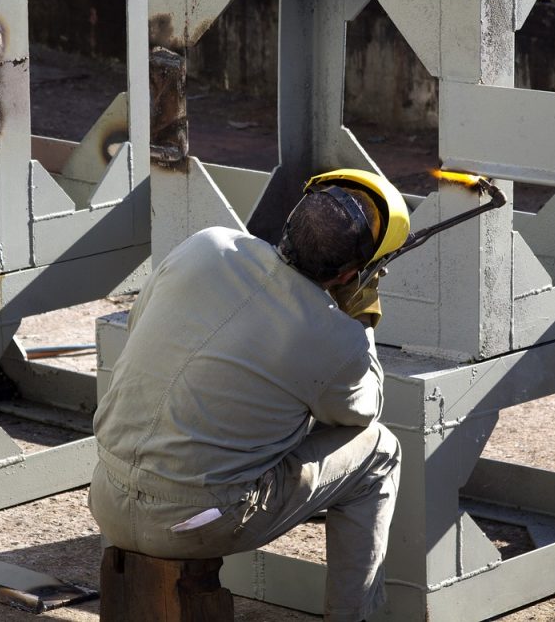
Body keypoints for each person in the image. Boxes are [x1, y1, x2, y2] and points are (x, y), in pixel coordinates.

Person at [89, 169, 410, 622]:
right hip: (195, 524)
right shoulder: (334, 337)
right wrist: (361, 321)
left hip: (106, 493)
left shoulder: (207, 244)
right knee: (380, 452)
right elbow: (362, 411)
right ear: (353, 273)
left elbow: (139, 323)